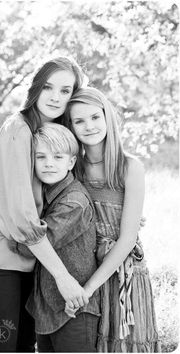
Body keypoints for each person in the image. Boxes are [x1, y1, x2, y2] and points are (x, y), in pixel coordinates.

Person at [0, 56, 90, 352]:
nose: (55, 97)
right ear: (36, 87)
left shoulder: (56, 136)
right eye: (48, 86)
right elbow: (22, 217)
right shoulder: (18, 130)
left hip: (34, 262)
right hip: (1, 260)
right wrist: (63, 277)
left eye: (65, 91)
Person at [0, 123, 101, 352]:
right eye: (40, 157)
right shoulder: (43, 194)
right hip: (46, 309)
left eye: (57, 157)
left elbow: (29, 246)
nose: (49, 163)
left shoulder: (72, 202)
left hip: (73, 308)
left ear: (71, 162)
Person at [63, 87, 161, 352]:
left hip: (121, 270)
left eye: (95, 117)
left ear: (108, 117)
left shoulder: (130, 167)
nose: (89, 126)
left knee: (124, 344)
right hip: (83, 266)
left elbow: (128, 237)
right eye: (79, 120)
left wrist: (89, 287)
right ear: (70, 125)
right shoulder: (72, 169)